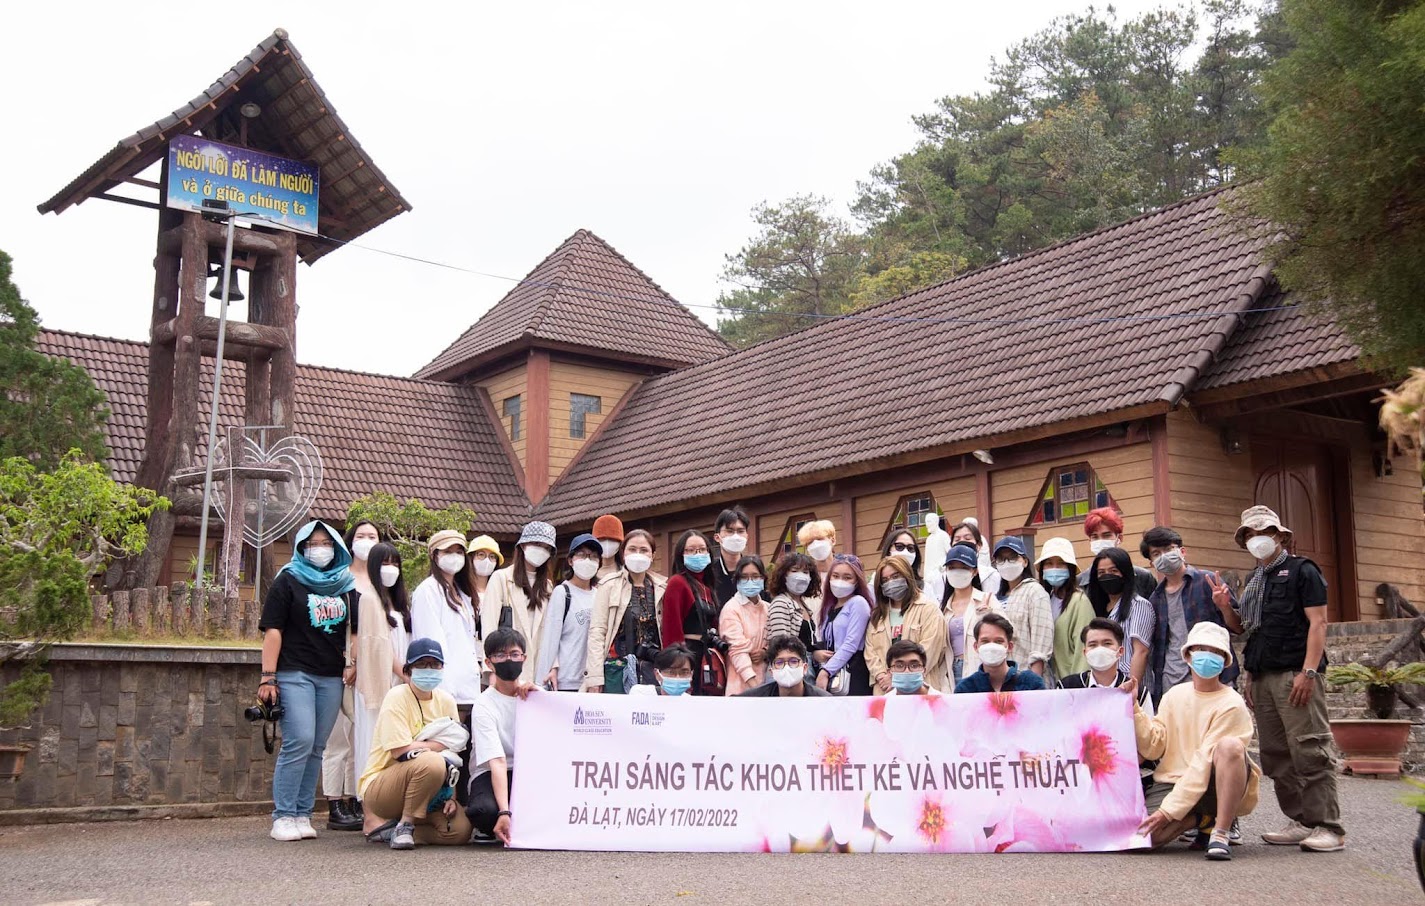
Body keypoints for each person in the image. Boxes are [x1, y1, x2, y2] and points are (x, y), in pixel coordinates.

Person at [1225, 506, 1344, 852]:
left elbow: (1318, 623)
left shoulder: (1303, 570)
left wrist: (1309, 671)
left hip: (1296, 671)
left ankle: (1328, 826)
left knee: (1310, 747)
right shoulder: (1254, 580)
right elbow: (1247, 630)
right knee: (1276, 753)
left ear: (1279, 535)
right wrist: (1250, 675)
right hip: (1262, 673)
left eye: (1263, 532)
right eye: (1249, 534)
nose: (1256, 539)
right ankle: (1300, 819)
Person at [258, 520, 358, 842]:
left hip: (331, 675)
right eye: (313, 544)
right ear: (302, 548)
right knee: (299, 740)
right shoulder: (288, 580)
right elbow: (273, 630)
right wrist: (267, 677)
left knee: (317, 746)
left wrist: (352, 662)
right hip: (294, 672)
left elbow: (354, 631)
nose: (320, 549)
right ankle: (283, 815)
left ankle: (302, 813)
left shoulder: (345, 583)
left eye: (326, 544)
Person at [1134, 622, 1261, 861]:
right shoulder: (1174, 695)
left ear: (1225, 660)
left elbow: (1203, 762)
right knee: (1140, 838)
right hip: (1173, 781)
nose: (1207, 656)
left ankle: (1221, 831)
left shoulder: (1232, 703)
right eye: (1201, 649)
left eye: (1215, 651)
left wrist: (1168, 811)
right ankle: (1202, 819)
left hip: (1212, 783)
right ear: (1188, 655)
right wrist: (1134, 708)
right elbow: (1154, 746)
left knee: (1230, 747)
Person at [357, 638, 472, 850]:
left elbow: (453, 756)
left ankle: (394, 832)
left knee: (460, 830)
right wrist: (438, 745)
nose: (429, 670)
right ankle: (406, 824)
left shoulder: (446, 701)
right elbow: (400, 751)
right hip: (384, 787)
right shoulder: (397, 696)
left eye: (434, 664)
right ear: (408, 670)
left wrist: (451, 797)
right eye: (421, 664)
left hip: (431, 787)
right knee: (433, 762)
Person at [411, 530, 481, 805]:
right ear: (434, 555)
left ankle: (459, 806)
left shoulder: (463, 594)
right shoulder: (428, 590)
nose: (454, 557)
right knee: (444, 748)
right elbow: (431, 641)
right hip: (446, 685)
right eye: (447, 551)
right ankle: (436, 807)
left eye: (459, 551)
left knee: (462, 748)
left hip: (468, 684)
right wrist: (442, 688)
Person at [321, 519, 379, 831]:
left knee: (363, 737)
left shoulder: (382, 581)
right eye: (361, 535)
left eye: (373, 536)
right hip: (340, 666)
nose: (367, 541)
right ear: (350, 540)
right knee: (337, 737)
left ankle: (357, 798)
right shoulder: (338, 578)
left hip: (372, 671)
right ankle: (334, 802)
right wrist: (348, 661)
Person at [1141, 526, 1240, 704]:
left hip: (1214, 673)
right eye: (1156, 553)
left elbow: (1239, 627)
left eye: (1168, 549)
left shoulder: (1208, 582)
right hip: (1172, 680)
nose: (1164, 556)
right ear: (1152, 563)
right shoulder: (1155, 599)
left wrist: (1224, 606)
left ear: (1182, 551)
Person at [352, 541, 412, 834]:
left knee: (394, 749)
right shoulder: (369, 598)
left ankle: (388, 810)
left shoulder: (398, 603)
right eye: (385, 563)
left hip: (399, 686)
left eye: (395, 563)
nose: (391, 569)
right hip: (379, 687)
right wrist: (407, 674)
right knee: (371, 747)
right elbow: (378, 647)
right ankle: (370, 815)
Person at [466, 628, 532, 846]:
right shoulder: (484, 705)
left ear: (524, 658)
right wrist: (504, 811)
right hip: (490, 772)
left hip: (526, 771)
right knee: (484, 811)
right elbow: (497, 761)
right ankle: (496, 824)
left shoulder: (535, 695)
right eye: (501, 655)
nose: (509, 660)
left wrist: (541, 698)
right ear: (489, 663)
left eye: (514, 654)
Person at [584, 529, 667, 693]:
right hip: (617, 670)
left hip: (653, 671)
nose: (638, 554)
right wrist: (595, 678)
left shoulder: (661, 588)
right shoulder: (609, 585)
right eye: (632, 549)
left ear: (652, 555)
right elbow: (597, 632)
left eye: (644, 550)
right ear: (623, 554)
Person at [482, 521, 557, 685]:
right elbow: (489, 626)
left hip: (538, 670)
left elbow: (552, 632)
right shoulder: (501, 579)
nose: (541, 551)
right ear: (523, 545)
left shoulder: (547, 586)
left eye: (546, 548)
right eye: (537, 544)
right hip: (505, 668)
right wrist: (491, 671)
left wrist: (554, 666)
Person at [865, 556, 950, 694]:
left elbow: (931, 648)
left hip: (921, 687)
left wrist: (897, 676)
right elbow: (870, 653)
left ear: (907, 575)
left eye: (895, 576)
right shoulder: (877, 616)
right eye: (885, 580)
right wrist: (881, 675)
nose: (891, 582)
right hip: (884, 690)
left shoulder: (928, 610)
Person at [534, 534, 602, 692]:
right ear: (570, 560)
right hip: (564, 680)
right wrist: (552, 667)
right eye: (582, 555)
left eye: (593, 556)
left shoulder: (599, 595)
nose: (587, 560)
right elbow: (551, 636)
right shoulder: (562, 592)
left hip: (590, 681)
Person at [661, 530, 722, 695]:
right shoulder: (677, 583)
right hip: (687, 656)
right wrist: (678, 668)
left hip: (706, 656)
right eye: (691, 550)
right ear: (681, 555)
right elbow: (671, 630)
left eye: (702, 549)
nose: (697, 554)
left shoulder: (707, 587)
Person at [1085, 546, 1155, 684]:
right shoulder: (1096, 607)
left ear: (1125, 573)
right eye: (1101, 572)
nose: (1107, 576)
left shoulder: (1139, 605)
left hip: (1128, 684)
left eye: (1113, 571)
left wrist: (1131, 686)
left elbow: (1141, 651)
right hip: (1103, 684)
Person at [989, 537, 1053, 677]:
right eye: (1001, 559)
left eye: (1012, 558)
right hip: (998, 677)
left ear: (1024, 561)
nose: (1007, 563)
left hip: (1025, 674)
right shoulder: (994, 597)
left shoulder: (1035, 592)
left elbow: (1041, 641)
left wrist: (1033, 681)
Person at [1061, 618, 1153, 712]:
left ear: (1120, 651)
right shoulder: (1066, 688)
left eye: (1107, 643)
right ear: (1085, 653)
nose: (1100, 649)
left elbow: (1147, 722)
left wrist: (1133, 704)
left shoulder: (1138, 693)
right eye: (1093, 645)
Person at [1036, 536, 1094, 684]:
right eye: (1049, 563)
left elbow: (1083, 649)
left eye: (1061, 564)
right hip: (1049, 682)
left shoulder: (1079, 601)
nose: (1054, 568)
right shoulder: (1045, 599)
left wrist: (1078, 684)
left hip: (1070, 684)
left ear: (1070, 568)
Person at [814, 554, 873, 695]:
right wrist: (816, 654)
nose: (840, 582)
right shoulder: (829, 607)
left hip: (852, 673)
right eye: (835, 576)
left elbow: (851, 643)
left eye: (847, 577)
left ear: (857, 581)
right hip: (833, 672)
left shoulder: (858, 603)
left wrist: (826, 671)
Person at [941, 542, 996, 684]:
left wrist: (986, 615)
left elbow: (1006, 634)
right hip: (951, 672)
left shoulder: (987, 600)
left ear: (975, 571)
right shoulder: (943, 608)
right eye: (952, 568)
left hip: (981, 670)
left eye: (964, 568)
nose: (957, 572)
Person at [954, 613, 1048, 694]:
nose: (991, 646)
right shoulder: (965, 689)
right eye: (985, 641)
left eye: (998, 641)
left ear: (1010, 646)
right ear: (976, 647)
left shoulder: (1031, 683)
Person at [720, 554, 770, 695]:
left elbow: (774, 641)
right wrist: (755, 687)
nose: (750, 581)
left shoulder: (768, 608)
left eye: (755, 576)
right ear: (737, 580)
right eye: (744, 577)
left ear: (763, 578)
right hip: (741, 683)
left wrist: (765, 652)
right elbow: (737, 650)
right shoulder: (731, 609)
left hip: (767, 680)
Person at [1081, 507, 1157, 599]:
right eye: (1095, 537)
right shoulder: (1080, 582)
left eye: (1106, 535)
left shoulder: (1143, 577)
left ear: (1119, 538)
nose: (1100, 541)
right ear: (1090, 541)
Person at [765, 552, 820, 659]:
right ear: (783, 575)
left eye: (805, 572)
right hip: (791, 665)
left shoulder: (803, 604)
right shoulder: (781, 604)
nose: (801, 576)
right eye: (794, 571)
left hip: (806, 664)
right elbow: (780, 646)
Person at [738, 635, 831, 697]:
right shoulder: (756, 698)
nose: (787, 667)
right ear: (771, 671)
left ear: (805, 668)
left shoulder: (822, 701)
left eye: (793, 661)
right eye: (779, 663)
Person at [711, 506, 752, 609]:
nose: (735, 536)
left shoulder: (754, 571)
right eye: (730, 531)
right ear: (717, 537)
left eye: (740, 531)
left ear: (747, 536)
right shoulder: (709, 573)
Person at [465, 535, 503, 638]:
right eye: (481, 555)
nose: (487, 561)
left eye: (492, 557)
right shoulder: (460, 591)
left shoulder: (501, 592)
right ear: (471, 558)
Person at [951, 518, 1000, 596]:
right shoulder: (942, 577)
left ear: (979, 545)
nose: (962, 542)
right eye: (957, 539)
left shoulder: (991, 575)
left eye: (967, 538)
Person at [630, 644, 696, 696]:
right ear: (657, 674)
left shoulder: (691, 703)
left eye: (684, 672)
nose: (677, 677)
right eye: (671, 672)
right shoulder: (641, 694)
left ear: (691, 674)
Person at [592, 514, 625, 580]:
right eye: (602, 539)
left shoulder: (626, 572)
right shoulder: (588, 572)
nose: (607, 543)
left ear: (620, 543)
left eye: (612, 540)